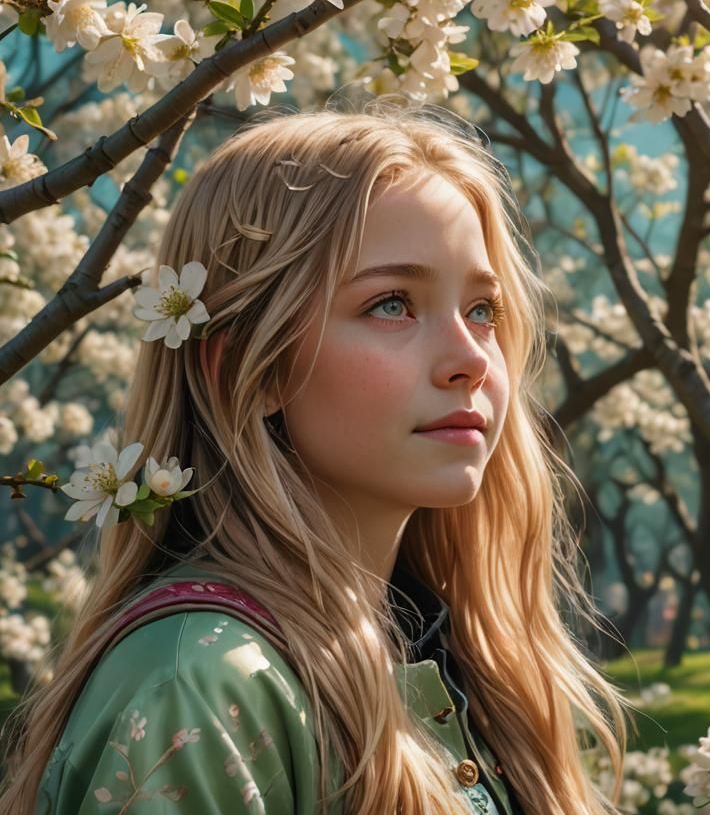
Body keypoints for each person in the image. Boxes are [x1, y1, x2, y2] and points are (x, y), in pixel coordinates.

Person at [0, 102, 631, 815]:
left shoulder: (468, 663)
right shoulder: (202, 684)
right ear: (248, 366)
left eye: (483, 310)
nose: (470, 360)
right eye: (392, 304)